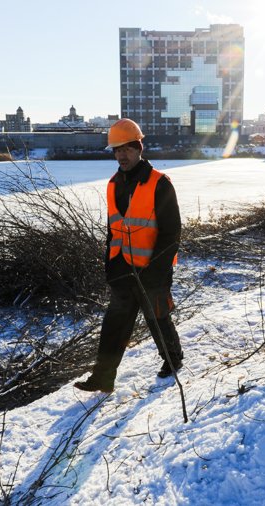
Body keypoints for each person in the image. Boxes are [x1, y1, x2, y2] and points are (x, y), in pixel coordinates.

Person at [74, 118, 183, 393]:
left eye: (127, 149)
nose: (121, 155)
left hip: (153, 271)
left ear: (139, 148)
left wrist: (155, 271)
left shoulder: (160, 184)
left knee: (157, 319)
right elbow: (114, 228)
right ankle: (103, 377)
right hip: (122, 268)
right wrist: (110, 264)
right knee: (114, 325)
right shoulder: (112, 184)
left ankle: (173, 360)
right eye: (116, 150)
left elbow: (171, 233)